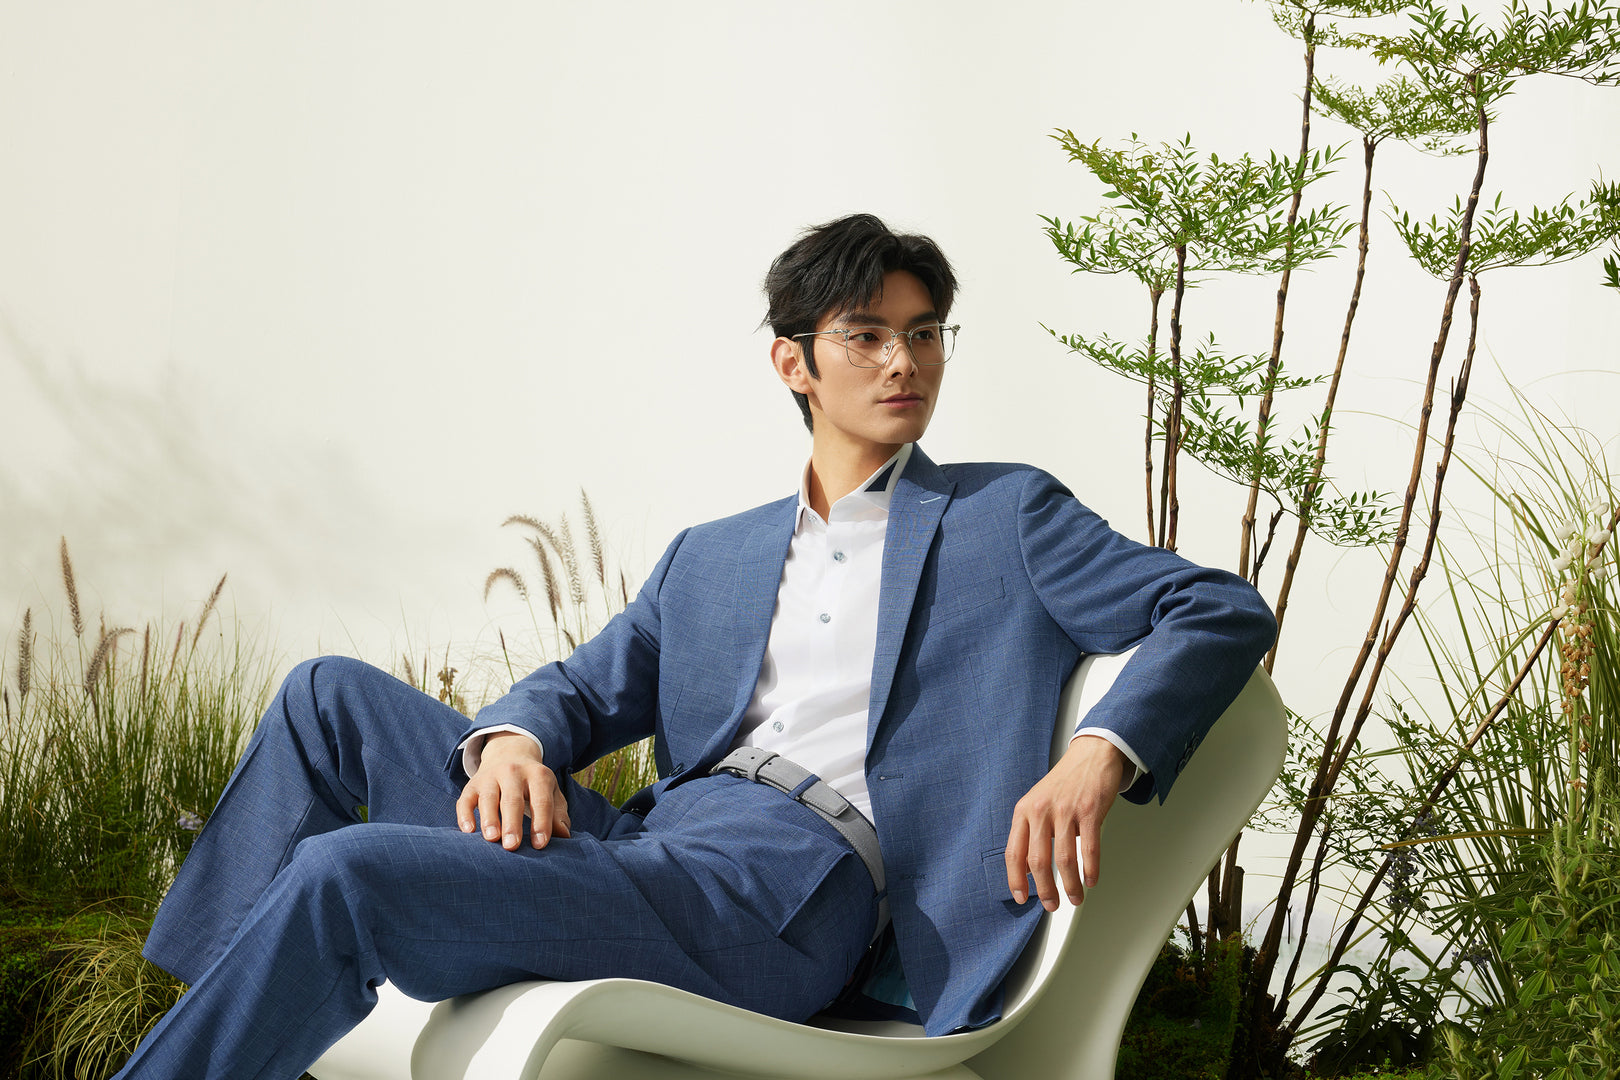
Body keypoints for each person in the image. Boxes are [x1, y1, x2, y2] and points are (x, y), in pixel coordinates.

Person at [113, 214, 1276, 1078]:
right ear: (793, 362)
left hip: (790, 892)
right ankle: (211, 1021)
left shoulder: (1003, 516)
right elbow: (581, 689)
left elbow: (1217, 609)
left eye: (924, 335)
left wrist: (1098, 754)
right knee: (326, 696)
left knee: (347, 875)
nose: (903, 363)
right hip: (650, 849)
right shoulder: (712, 556)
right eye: (867, 335)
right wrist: (513, 743)